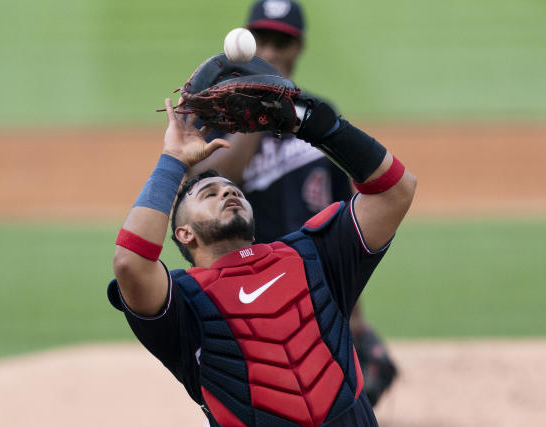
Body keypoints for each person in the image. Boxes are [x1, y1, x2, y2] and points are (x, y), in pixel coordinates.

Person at [107, 86, 416, 426]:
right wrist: (174, 160)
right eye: (209, 193)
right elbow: (130, 261)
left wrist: (309, 122)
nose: (227, 191)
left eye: (234, 190)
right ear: (185, 233)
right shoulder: (183, 304)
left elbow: (396, 190)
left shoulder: (312, 253)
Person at [191, 0, 398, 406]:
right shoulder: (219, 120)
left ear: (298, 47)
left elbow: (348, 220)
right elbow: (211, 182)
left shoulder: (317, 116)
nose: (271, 51)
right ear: (247, 44)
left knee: (339, 393)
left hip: (315, 281)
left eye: (282, 41)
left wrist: (354, 316)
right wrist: (254, 114)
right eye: (262, 40)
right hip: (246, 287)